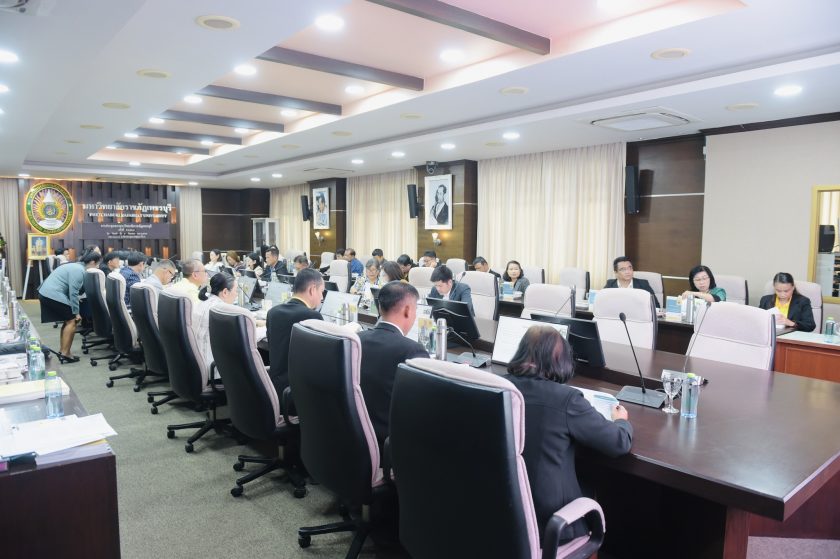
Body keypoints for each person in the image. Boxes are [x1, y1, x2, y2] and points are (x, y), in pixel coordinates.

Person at [503, 325, 632, 541]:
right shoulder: (566, 399)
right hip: (549, 526)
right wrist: (621, 422)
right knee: (591, 483)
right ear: (560, 360)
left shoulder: (499, 386)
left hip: (501, 514)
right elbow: (619, 443)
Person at [359, 282, 428, 450]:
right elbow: (424, 408)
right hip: (388, 444)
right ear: (407, 310)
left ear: (380, 307)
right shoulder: (412, 351)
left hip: (354, 436)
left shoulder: (357, 339)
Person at [265, 269, 324, 398]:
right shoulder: (312, 316)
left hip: (275, 389)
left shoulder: (273, 313)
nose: (322, 297)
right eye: (321, 292)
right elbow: (319, 360)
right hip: (299, 394)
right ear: (312, 290)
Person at [38, 251, 102, 361]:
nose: (98, 267)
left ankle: (63, 351)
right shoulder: (79, 270)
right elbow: (73, 293)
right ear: (92, 262)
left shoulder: (76, 266)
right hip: (52, 294)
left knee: (68, 320)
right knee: (72, 321)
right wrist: (76, 312)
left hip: (47, 293)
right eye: (98, 264)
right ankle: (65, 353)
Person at [193, 272, 238, 378]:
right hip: (213, 371)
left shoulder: (202, 303)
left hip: (196, 367)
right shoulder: (221, 311)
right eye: (236, 291)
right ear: (225, 292)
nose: (236, 294)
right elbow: (246, 336)